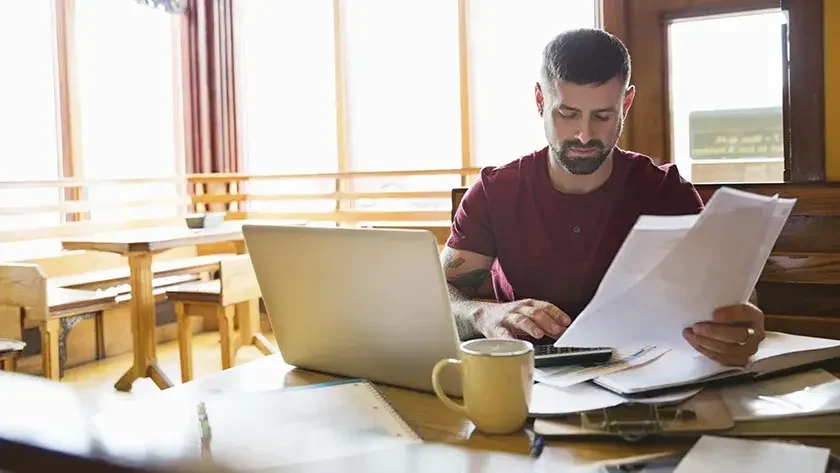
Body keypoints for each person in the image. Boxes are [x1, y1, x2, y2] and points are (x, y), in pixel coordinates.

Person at [441, 28, 763, 367]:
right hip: (532, 375)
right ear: (540, 101)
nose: (584, 134)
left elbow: (727, 292)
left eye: (603, 116)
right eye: (567, 113)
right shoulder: (497, 191)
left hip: (645, 371)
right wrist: (482, 314)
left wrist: (736, 326)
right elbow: (441, 293)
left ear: (626, 103)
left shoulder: (664, 191)